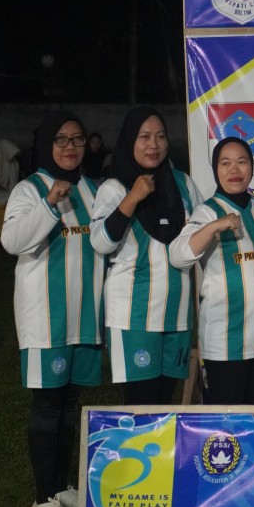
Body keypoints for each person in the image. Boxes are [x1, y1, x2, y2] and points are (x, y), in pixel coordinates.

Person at [0, 112, 105, 507]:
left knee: (71, 403)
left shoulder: (93, 189)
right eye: (61, 139)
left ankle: (62, 486)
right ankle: (43, 495)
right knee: (47, 404)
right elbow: (12, 241)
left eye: (77, 139)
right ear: (46, 144)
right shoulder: (30, 189)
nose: (70, 147)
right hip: (46, 319)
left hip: (86, 317)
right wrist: (48, 204)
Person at [91, 106, 203, 405]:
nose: (154, 144)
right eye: (144, 137)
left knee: (165, 403)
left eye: (160, 136)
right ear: (130, 141)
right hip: (134, 317)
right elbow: (101, 242)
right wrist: (133, 198)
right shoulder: (114, 188)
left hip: (177, 315)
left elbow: (201, 233)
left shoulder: (183, 184)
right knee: (141, 405)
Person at [168, 137, 254, 404]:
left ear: (251, 166)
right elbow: (178, 256)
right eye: (225, 163)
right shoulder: (207, 212)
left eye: (242, 162)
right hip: (225, 344)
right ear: (215, 170)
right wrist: (214, 227)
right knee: (227, 421)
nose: (234, 170)